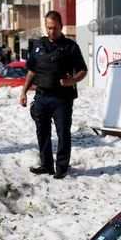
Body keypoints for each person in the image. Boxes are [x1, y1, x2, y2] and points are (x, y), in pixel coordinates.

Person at [19, 10, 87, 179]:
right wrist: (23, 92)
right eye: (49, 28)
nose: (51, 31)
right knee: (42, 132)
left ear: (61, 27)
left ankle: (62, 167)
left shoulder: (70, 46)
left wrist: (71, 81)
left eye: (55, 28)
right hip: (41, 96)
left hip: (62, 99)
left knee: (63, 133)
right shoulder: (37, 46)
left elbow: (83, 70)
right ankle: (46, 164)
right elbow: (31, 71)